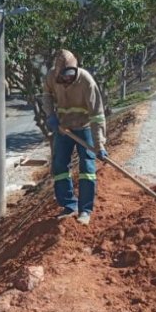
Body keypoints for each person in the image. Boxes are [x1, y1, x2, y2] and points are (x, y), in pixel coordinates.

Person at [42, 49, 107, 225]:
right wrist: (50, 115)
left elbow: (97, 116)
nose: (67, 79)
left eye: (70, 75)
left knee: (87, 167)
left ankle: (85, 210)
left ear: (75, 69)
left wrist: (100, 145)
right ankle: (70, 205)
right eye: (64, 76)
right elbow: (46, 95)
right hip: (64, 128)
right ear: (57, 73)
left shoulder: (87, 82)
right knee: (59, 165)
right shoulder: (51, 77)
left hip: (85, 128)